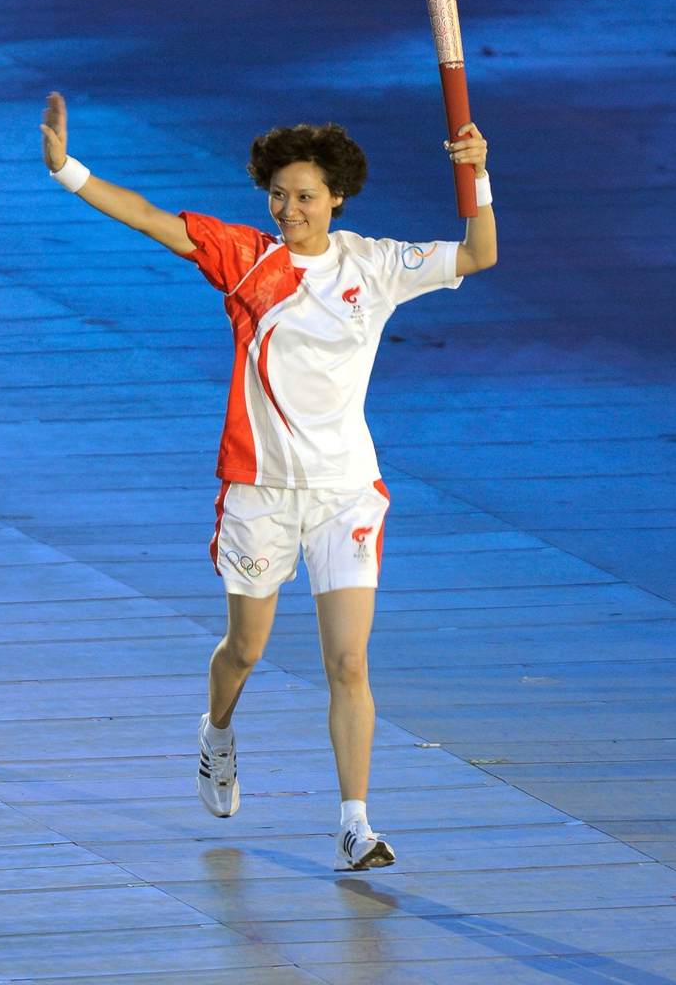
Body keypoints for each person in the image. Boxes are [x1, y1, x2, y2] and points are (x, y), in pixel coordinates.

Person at [40, 92, 497, 871]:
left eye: (306, 197)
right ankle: (217, 730)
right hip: (260, 493)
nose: (290, 210)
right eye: (279, 195)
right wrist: (69, 172)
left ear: (337, 197)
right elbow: (154, 220)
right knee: (246, 649)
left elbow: (477, 252)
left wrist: (478, 178)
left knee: (348, 663)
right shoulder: (248, 258)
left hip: (346, 493)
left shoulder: (376, 265)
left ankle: (355, 823)